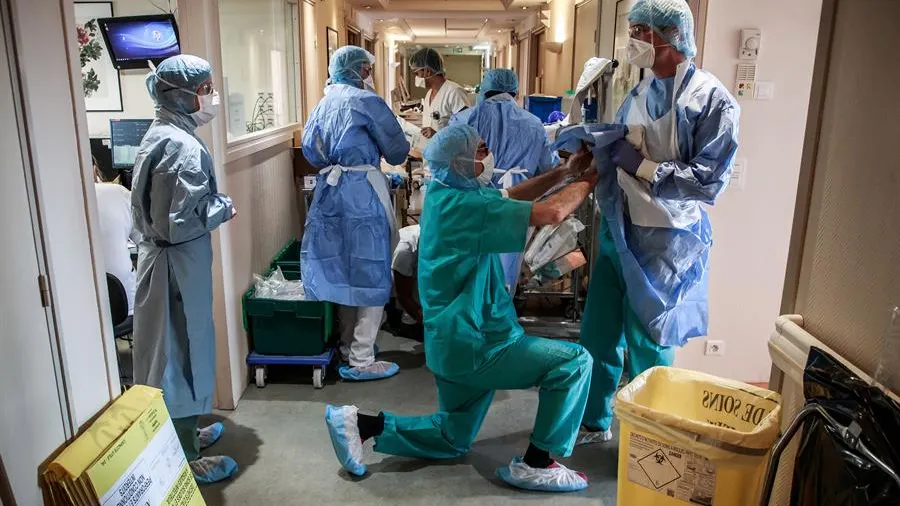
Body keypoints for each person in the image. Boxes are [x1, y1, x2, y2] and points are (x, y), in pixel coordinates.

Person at [324, 124, 599, 493]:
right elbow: (552, 213)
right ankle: (538, 462)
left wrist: (566, 172)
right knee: (573, 362)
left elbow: (508, 195)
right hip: (481, 343)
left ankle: (361, 425)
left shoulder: (444, 193)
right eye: (481, 150)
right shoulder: (468, 205)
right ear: (459, 161)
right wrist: (595, 176)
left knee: (451, 438)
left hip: (449, 345)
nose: (488, 156)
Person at [575, 0, 740, 445]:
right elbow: (626, 140)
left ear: (668, 35)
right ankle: (594, 418)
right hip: (617, 224)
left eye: (639, 31)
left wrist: (645, 169)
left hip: (664, 237)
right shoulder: (640, 90)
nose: (632, 41)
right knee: (599, 331)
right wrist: (596, 148)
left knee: (649, 339)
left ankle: (649, 435)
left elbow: (709, 182)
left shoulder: (710, 100)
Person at [131, 54, 238, 483]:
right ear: (182, 93)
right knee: (177, 357)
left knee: (179, 349)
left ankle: (186, 430)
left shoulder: (166, 133)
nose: (210, 96)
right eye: (205, 88)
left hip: (171, 263)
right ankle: (182, 459)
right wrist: (222, 207)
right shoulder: (182, 148)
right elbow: (179, 222)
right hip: (175, 264)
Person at [301, 46, 410, 381]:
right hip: (363, 195)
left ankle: (349, 347)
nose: (368, 74)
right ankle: (362, 358)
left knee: (343, 270)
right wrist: (371, 169)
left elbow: (311, 151)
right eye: (366, 68)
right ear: (358, 70)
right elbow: (397, 150)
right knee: (372, 270)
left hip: (331, 194)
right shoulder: (365, 102)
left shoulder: (323, 103)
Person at [451, 68, 561, 292]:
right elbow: (549, 167)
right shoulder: (533, 124)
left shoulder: (464, 119)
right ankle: (500, 313)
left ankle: (473, 316)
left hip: (473, 199)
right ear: (515, 92)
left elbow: (446, 163)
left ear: (483, 90)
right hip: (518, 197)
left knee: (471, 265)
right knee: (506, 266)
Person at [93, 165, 140, 314]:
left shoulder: (55, 203)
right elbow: (147, 242)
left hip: (79, 310)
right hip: (125, 303)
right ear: (95, 170)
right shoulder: (119, 193)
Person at [409, 48, 471, 139]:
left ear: (428, 71)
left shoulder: (454, 92)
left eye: (417, 73)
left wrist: (439, 135)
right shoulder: (429, 94)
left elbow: (467, 129)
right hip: (430, 150)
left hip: (451, 152)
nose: (416, 78)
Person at [388, 224, 423, 341]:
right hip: (391, 269)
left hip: (410, 264)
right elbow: (403, 295)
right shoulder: (405, 248)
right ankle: (403, 323)